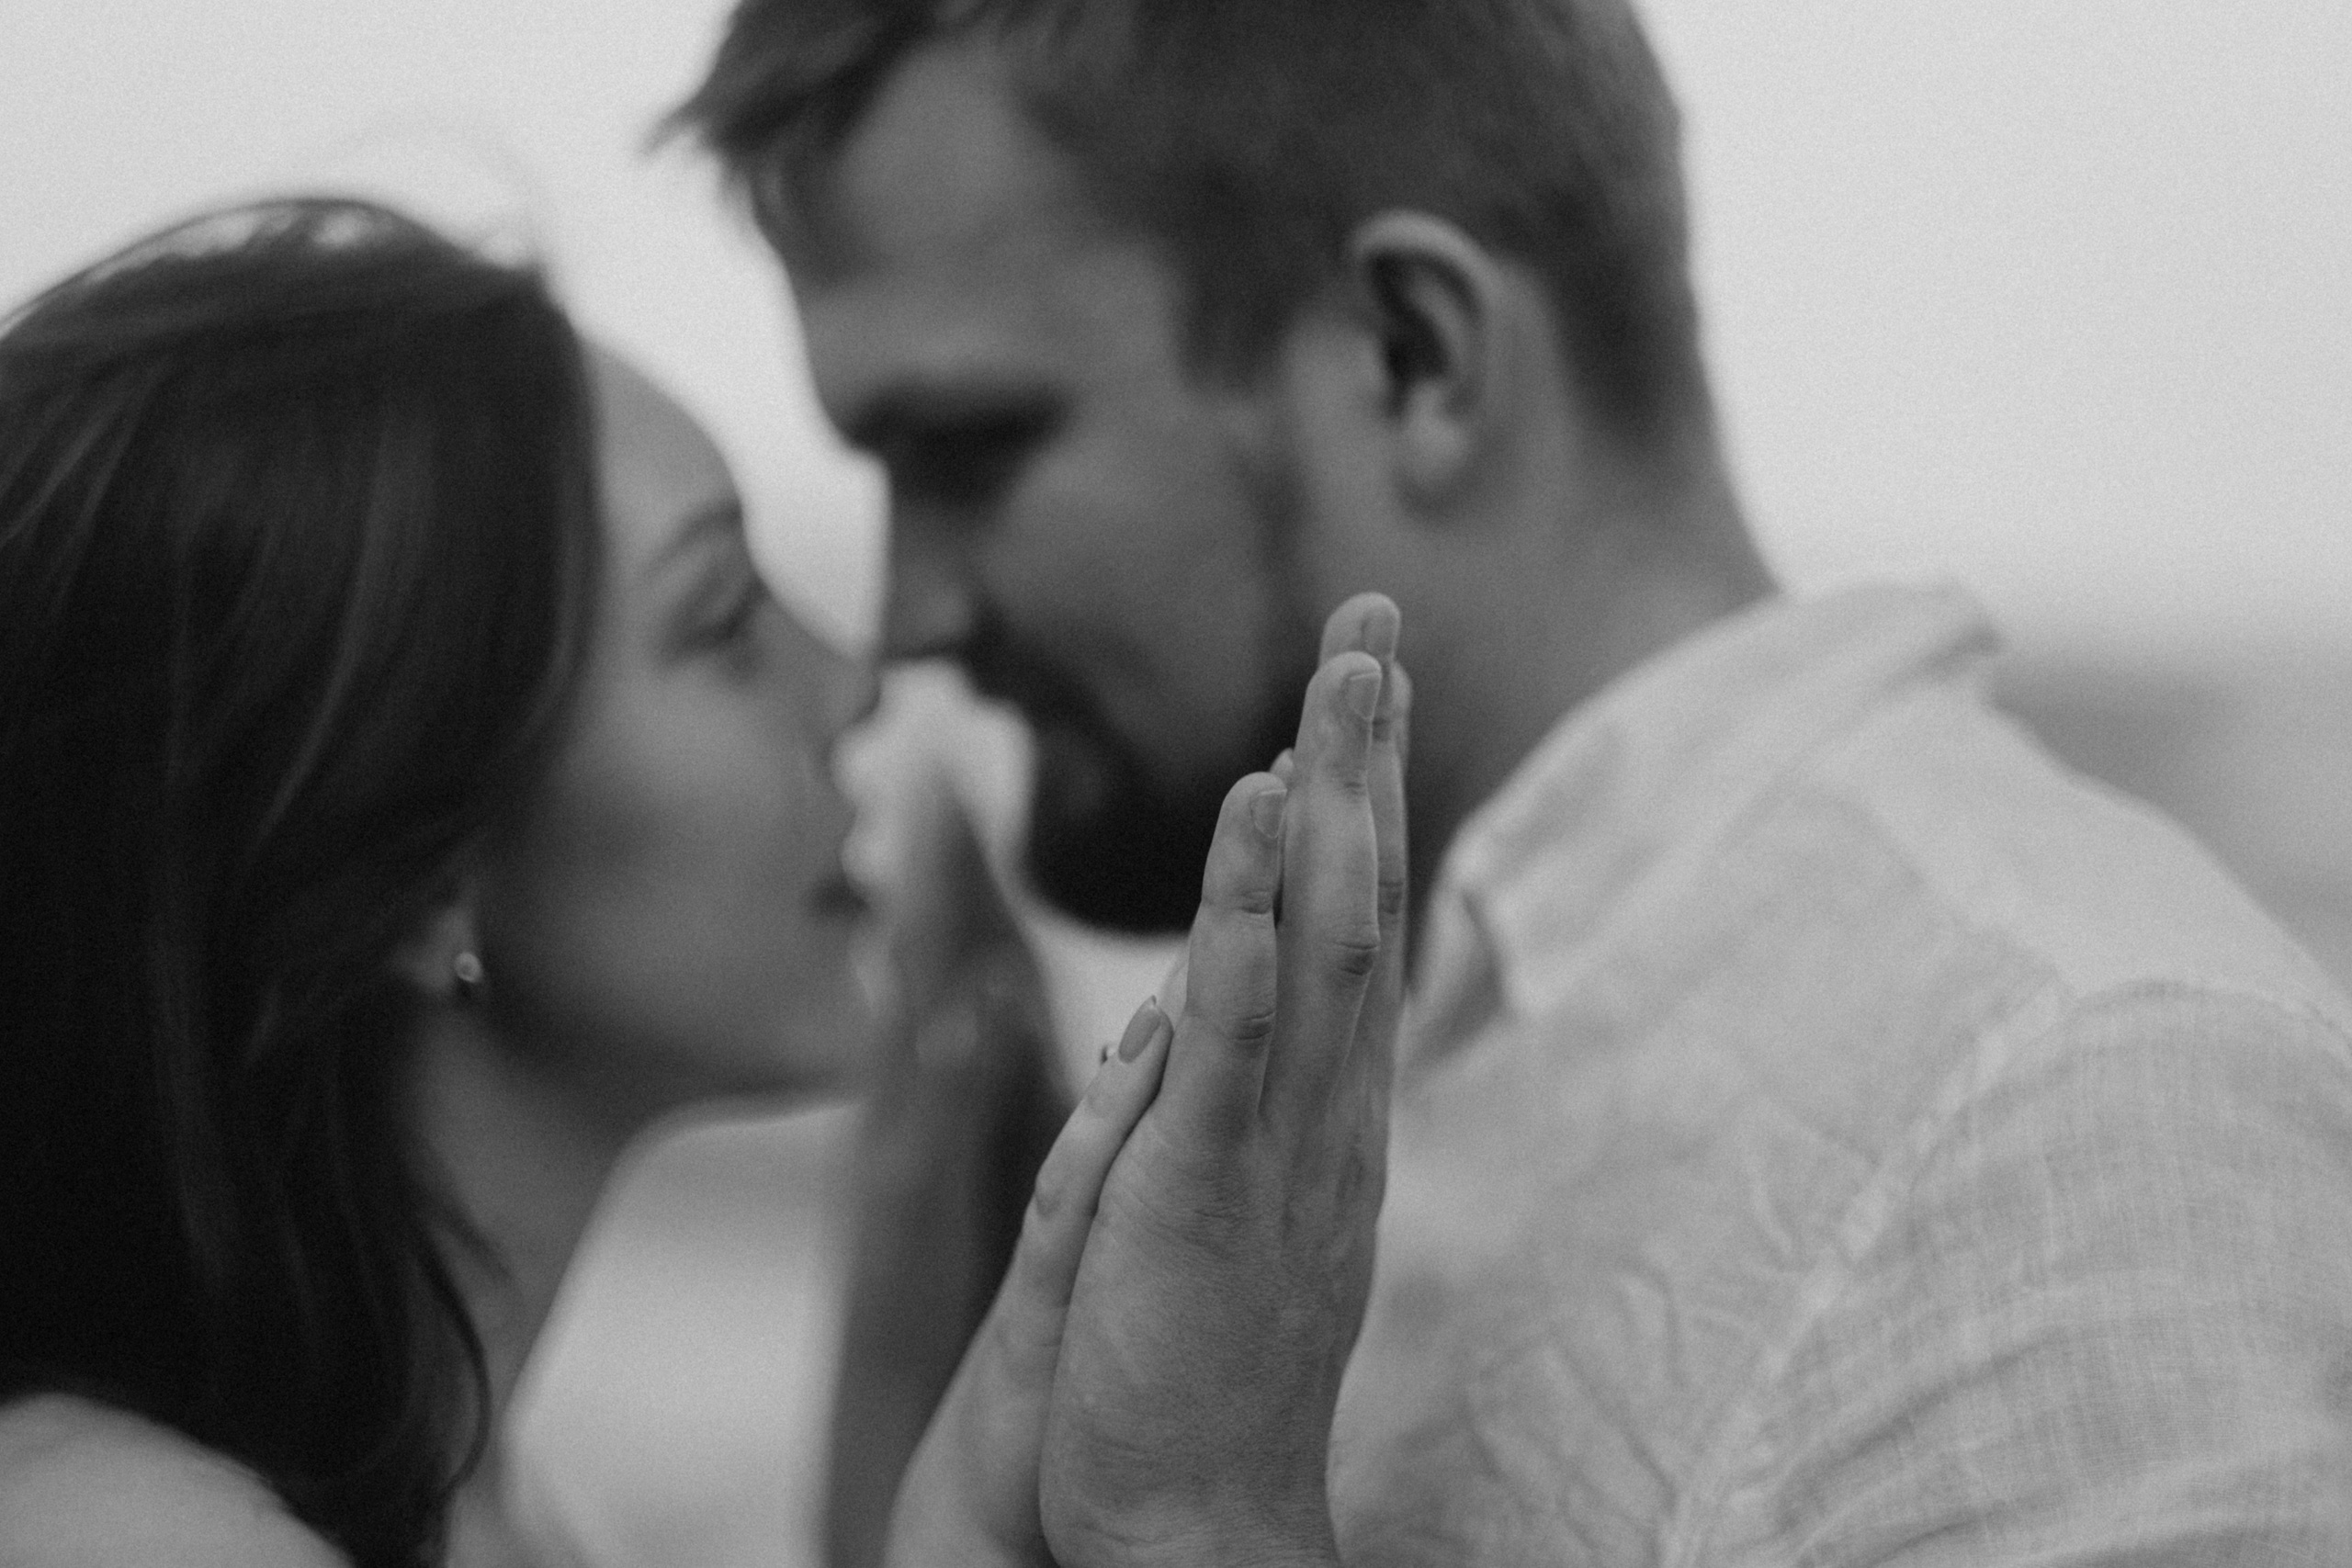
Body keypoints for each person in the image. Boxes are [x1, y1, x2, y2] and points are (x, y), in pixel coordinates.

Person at [671, 0, 2352, 1560]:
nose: (905, 619)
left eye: (970, 451)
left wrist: (1192, 1530)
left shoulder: (2077, 1106)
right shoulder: (1334, 1083)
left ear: (1413, 353)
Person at [0, 197, 1408, 1568]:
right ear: (411, 868)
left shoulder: (467, 1501)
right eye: (722, 620)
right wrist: (1199, 1516)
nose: (851, 679)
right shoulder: (136, 1535)